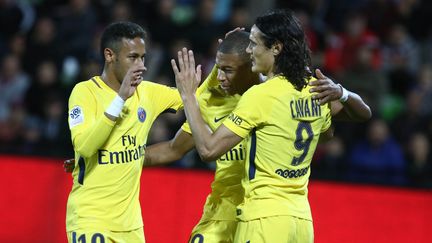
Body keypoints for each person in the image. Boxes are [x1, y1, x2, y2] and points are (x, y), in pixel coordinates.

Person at [64, 29, 371, 242]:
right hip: (221, 214)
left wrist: (341, 95)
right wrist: (107, 157)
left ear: (252, 67)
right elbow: (172, 150)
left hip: (261, 214)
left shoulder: (279, 97)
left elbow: (340, 125)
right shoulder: (210, 101)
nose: (220, 77)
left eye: (228, 70)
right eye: (218, 69)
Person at [171, 9, 346, 243]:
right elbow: (329, 133)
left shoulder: (260, 95)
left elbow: (208, 150)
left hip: (264, 218)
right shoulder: (314, 89)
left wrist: (189, 97)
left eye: (253, 44)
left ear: (276, 48)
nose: (249, 50)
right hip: (301, 220)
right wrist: (344, 94)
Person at [65, 21, 202, 243]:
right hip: (90, 219)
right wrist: (120, 99)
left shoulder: (147, 93)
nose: (141, 65)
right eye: (133, 57)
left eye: (143, 57)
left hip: (131, 227)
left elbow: (197, 100)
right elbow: (84, 146)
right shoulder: (84, 93)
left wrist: (220, 69)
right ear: (110, 55)